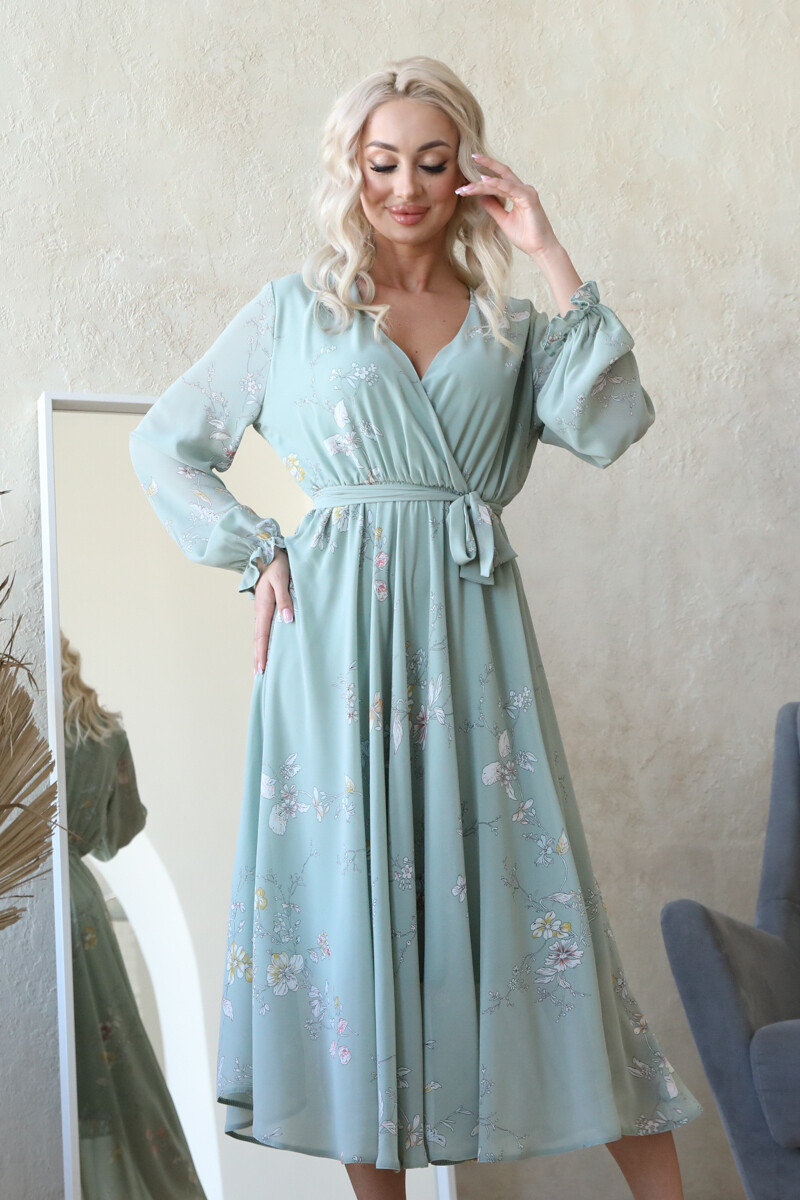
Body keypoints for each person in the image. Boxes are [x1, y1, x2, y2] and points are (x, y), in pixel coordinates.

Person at [129, 55, 702, 1200]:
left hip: (473, 634)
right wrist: (256, 550)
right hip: (332, 639)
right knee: (353, 920)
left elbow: (606, 423)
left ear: (466, 173)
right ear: (350, 169)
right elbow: (166, 444)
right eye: (381, 162)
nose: (404, 187)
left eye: (432, 164)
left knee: (534, 907)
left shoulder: (510, 322)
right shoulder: (293, 313)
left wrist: (546, 244)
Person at [62, 632, 207, 1199]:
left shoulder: (11, 726)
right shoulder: (102, 733)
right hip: (78, 906)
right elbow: (116, 835)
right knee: (114, 1068)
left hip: (17, 893)